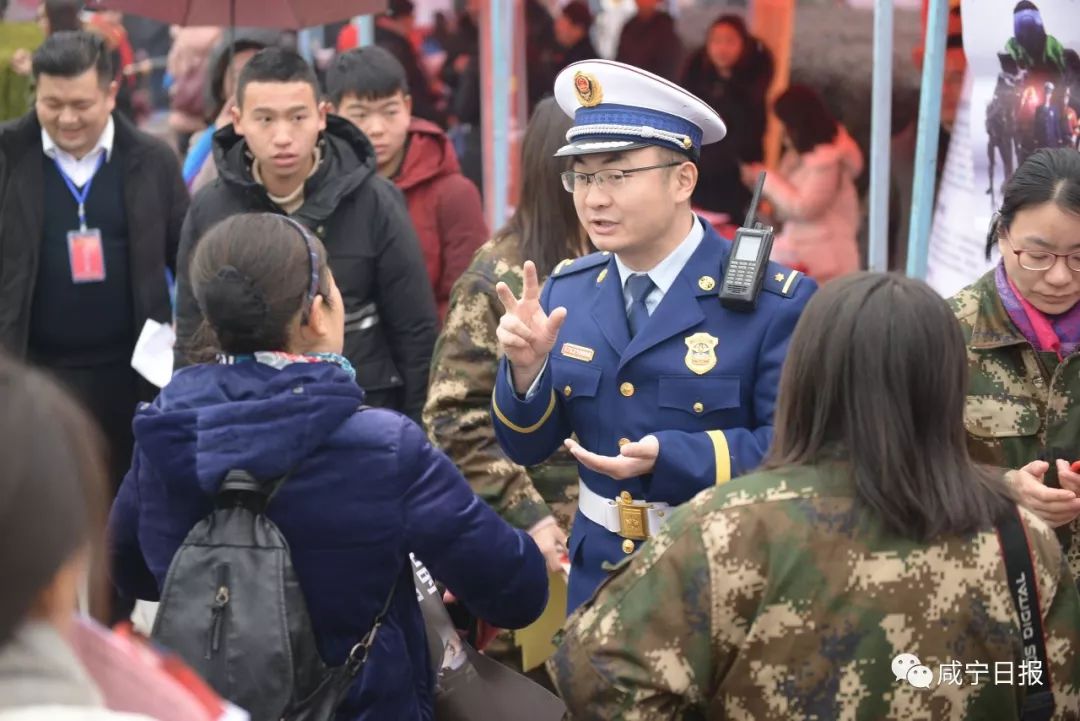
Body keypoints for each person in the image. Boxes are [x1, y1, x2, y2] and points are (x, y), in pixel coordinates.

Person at [549, 272, 1080, 720]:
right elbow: (1058, 693)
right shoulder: (1021, 539)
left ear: (805, 377)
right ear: (947, 385)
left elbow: (592, 674)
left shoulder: (729, 526)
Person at [109, 213, 548, 720]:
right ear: (317, 313)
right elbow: (514, 592)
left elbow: (131, 572)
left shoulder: (165, 430)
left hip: (213, 705)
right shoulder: (383, 447)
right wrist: (529, 549)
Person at [492, 60, 815, 612]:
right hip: (601, 580)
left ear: (682, 179)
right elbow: (527, 446)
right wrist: (526, 375)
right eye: (583, 176)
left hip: (725, 579)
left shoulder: (774, 301)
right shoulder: (566, 292)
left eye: (617, 175)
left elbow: (797, 452)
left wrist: (674, 456)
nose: (594, 198)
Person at [174, 47, 437, 422]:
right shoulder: (210, 209)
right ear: (237, 120)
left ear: (322, 115)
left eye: (298, 117)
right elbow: (190, 331)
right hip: (243, 417)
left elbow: (415, 331)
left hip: (361, 411)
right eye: (264, 119)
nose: (283, 137)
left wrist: (418, 432)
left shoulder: (375, 201)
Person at [0, 30, 188, 485]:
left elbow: (189, 256)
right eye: (51, 103)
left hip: (131, 375)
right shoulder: (8, 156)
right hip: (33, 373)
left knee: (127, 501)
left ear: (110, 93)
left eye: (80, 105)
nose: (66, 119)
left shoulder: (151, 160)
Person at [426, 96, 587, 592]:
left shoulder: (635, 263)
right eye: (591, 168)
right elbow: (455, 421)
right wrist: (531, 517)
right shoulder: (501, 276)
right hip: (542, 552)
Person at [950, 148, 1080, 581]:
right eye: (1038, 255)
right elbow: (899, 463)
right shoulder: (946, 334)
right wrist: (1001, 487)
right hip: (990, 590)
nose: (1060, 277)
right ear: (1003, 233)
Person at [328, 45, 487, 323]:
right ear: (331, 114)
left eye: (390, 111)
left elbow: (467, 298)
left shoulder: (453, 194)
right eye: (360, 115)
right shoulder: (322, 189)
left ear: (408, 106)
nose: (376, 128)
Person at [741, 84, 863, 285]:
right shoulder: (801, 153)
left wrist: (767, 180)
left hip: (828, 261)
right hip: (807, 254)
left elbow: (805, 207)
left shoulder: (827, 161)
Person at [679, 14, 774, 224]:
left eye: (730, 41)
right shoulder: (694, 83)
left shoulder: (753, 90)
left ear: (744, 45)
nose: (722, 48)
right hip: (696, 181)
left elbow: (751, 140)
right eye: (716, 41)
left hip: (735, 186)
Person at [181, 28, 285, 191]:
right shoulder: (203, 140)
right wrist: (221, 139)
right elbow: (192, 192)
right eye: (237, 76)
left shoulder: (285, 135)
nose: (247, 85)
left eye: (257, 74)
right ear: (222, 87)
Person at [615, 0, 683, 82]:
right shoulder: (629, 26)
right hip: (626, 82)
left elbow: (669, 69)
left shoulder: (665, 29)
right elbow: (620, 60)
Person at [550, 1, 598, 71]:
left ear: (578, 28)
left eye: (562, 22)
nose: (556, 27)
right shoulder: (578, 55)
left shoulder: (579, 63)